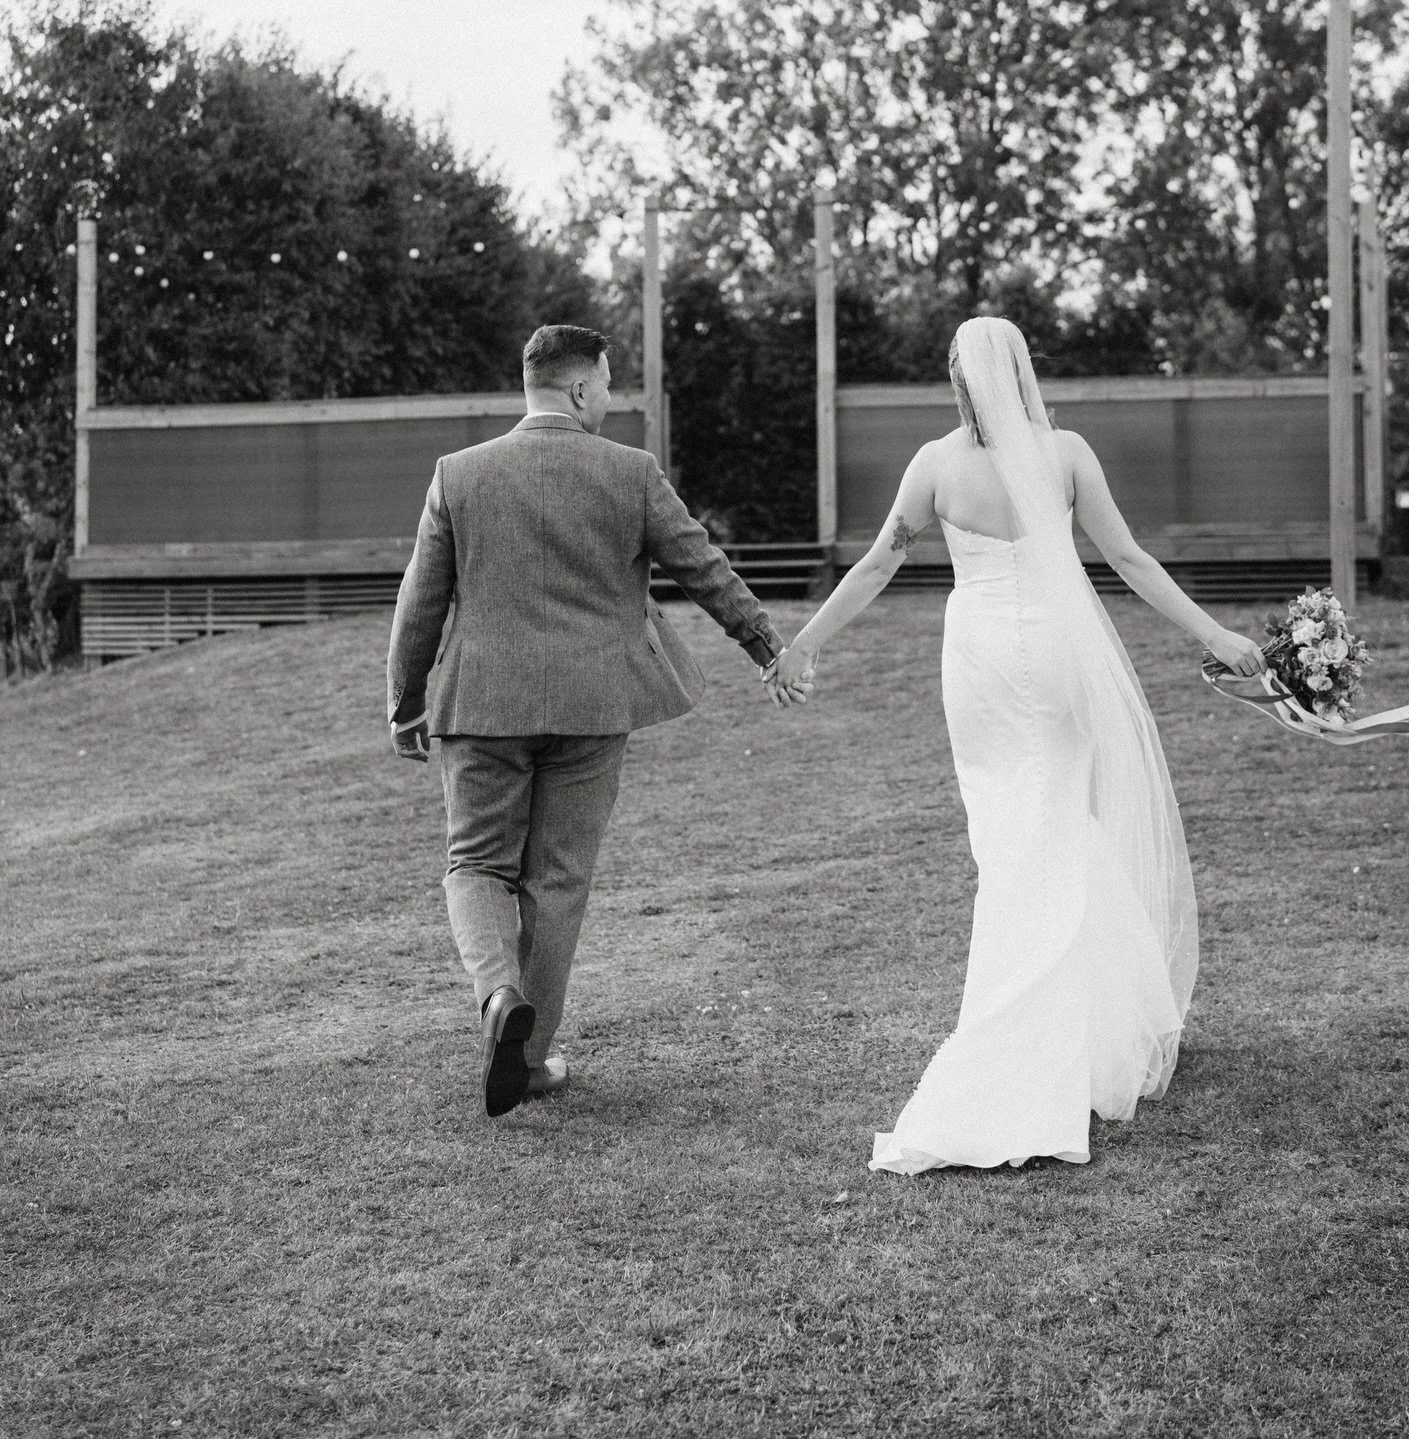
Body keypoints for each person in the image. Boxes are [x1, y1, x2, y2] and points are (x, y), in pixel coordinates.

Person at [770, 316, 1266, 1172]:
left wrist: (806, 642)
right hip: (1061, 655)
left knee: (1011, 840)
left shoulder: (936, 464)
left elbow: (878, 564)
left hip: (984, 662)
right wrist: (1216, 634)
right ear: (1023, 372)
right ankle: (1091, 1020)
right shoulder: (1066, 452)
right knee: (1061, 824)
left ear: (959, 379)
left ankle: (1033, 1021)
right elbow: (1132, 560)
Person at [387, 324, 801, 1117]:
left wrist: (407, 697)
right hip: (592, 706)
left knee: (475, 864)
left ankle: (498, 994)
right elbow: (703, 566)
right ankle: (531, 1059)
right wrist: (764, 645)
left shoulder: (458, 476)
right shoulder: (631, 473)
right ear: (579, 389)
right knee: (558, 881)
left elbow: (420, 601)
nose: (611, 398)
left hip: (482, 707)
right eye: (608, 384)